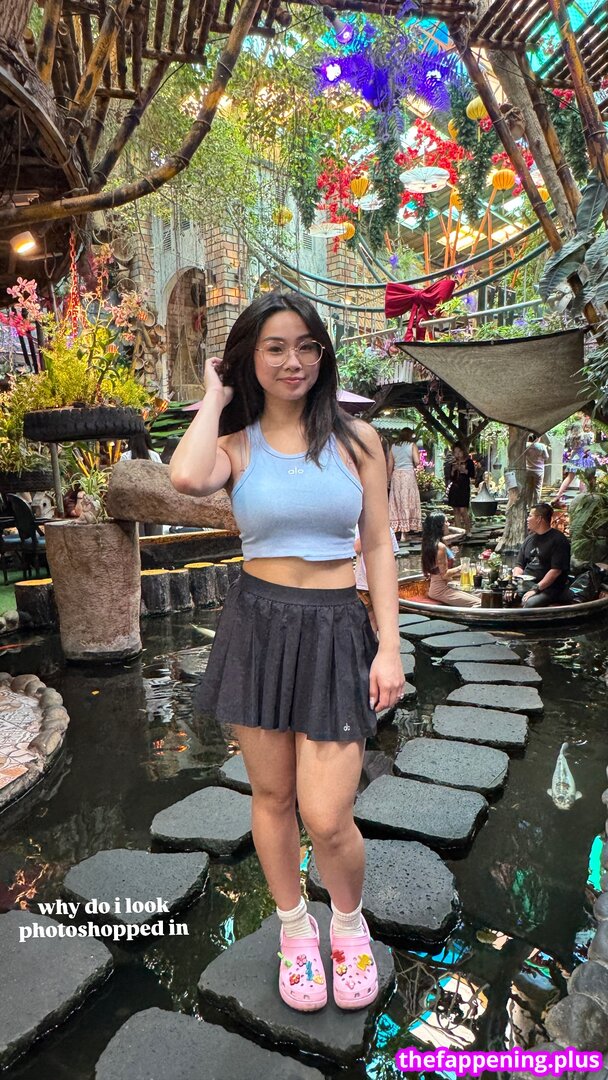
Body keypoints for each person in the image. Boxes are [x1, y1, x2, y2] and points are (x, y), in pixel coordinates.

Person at [169, 290, 404, 1013]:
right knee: (271, 797)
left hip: (336, 627)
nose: (293, 361)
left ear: (323, 355)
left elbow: (377, 545)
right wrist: (216, 394)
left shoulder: (358, 442)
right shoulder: (236, 446)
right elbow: (185, 477)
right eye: (274, 347)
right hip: (259, 627)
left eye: (306, 345)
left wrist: (389, 646)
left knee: (327, 815)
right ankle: (295, 928)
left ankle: (348, 922)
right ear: (250, 358)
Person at [513, 502, 572, 608]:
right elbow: (519, 565)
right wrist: (513, 584)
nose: (527, 519)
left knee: (529, 603)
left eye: (530, 516)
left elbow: (555, 571)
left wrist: (535, 589)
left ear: (539, 519)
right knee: (500, 596)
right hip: (526, 583)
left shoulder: (558, 540)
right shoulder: (529, 539)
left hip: (549, 587)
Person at [421, 511, 481, 608]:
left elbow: (462, 532)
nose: (449, 524)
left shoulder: (435, 542)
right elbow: (444, 575)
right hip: (440, 589)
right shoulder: (440, 546)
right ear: (439, 525)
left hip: (448, 584)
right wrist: (463, 567)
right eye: (446, 522)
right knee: (480, 603)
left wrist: (446, 527)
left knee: (482, 594)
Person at [354, 522, 400, 633]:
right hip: (364, 582)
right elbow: (356, 548)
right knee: (369, 617)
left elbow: (393, 556)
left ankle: (376, 640)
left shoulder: (387, 530)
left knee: (379, 618)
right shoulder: (359, 529)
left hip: (380, 582)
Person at [120, 432, 164, 536]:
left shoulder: (126, 456)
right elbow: (161, 475)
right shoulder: (154, 456)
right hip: (152, 498)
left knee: (136, 532)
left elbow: (121, 477)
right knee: (153, 532)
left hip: (133, 499)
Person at [388, 428, 421, 541]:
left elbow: (390, 465)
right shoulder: (412, 445)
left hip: (396, 476)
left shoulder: (393, 446)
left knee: (398, 502)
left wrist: (388, 480)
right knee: (407, 501)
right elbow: (417, 461)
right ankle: (405, 533)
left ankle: (397, 529)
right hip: (408, 475)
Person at [553, 421, 594, 504]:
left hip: (574, 457)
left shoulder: (569, 438)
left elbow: (570, 448)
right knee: (583, 478)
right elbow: (589, 446)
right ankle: (582, 498)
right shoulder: (586, 436)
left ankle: (558, 494)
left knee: (569, 477)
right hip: (584, 457)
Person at [446, 443, 475, 535]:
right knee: (456, 510)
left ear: (463, 451)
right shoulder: (453, 463)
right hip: (455, 488)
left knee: (463, 510)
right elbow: (451, 477)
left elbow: (472, 474)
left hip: (464, 488)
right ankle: (459, 532)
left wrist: (463, 470)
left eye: (459, 451)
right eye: (455, 452)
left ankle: (468, 530)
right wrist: (453, 470)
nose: (457, 454)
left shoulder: (469, 462)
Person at [525, 433, 549, 508]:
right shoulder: (542, 446)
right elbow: (546, 457)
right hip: (539, 471)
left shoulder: (526, 445)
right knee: (537, 489)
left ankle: (528, 506)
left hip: (528, 470)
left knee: (529, 488)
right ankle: (535, 506)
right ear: (538, 438)